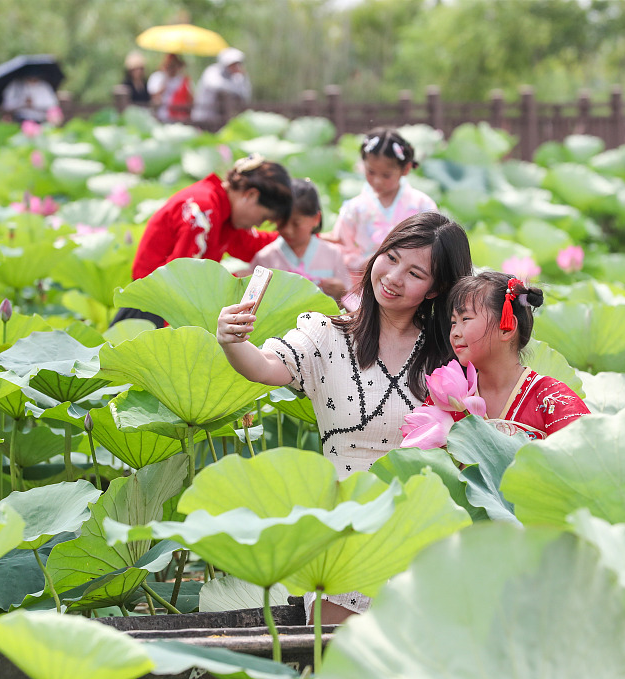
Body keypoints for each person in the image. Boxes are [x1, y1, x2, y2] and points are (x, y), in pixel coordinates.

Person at [217, 211, 471, 623]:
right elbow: (264, 366)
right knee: (338, 663)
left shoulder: (450, 353)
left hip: (421, 530)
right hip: (344, 529)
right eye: (391, 257)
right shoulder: (327, 335)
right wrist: (231, 339)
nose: (393, 276)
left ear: (435, 289)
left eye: (414, 273)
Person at [111, 154, 291, 327]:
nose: (260, 223)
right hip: (153, 312)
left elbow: (254, 245)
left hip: (167, 308)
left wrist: (306, 239)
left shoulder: (223, 212)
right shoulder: (203, 211)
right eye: (264, 217)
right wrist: (236, 283)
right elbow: (180, 281)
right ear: (251, 195)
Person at [424, 272, 589, 439]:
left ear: (507, 328)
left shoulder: (553, 399)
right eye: (453, 322)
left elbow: (579, 457)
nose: (454, 333)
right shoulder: (447, 395)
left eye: (465, 318)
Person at [321, 128, 438, 285]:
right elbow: (341, 246)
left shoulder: (422, 205)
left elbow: (434, 246)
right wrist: (362, 263)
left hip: (407, 282)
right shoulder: (354, 208)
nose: (377, 181)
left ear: (406, 169)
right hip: (364, 282)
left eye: (386, 175)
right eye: (371, 172)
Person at [250, 178, 351, 304]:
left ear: (316, 219)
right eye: (281, 222)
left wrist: (340, 294)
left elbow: (351, 308)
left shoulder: (333, 254)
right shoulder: (265, 258)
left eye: (296, 223)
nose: (288, 230)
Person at [191, 47, 252, 124]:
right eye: (232, 64)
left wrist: (244, 78)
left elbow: (245, 94)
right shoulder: (212, 71)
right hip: (205, 116)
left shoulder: (236, 77)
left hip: (222, 120)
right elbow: (215, 85)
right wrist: (234, 87)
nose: (235, 67)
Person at [147, 54, 190, 122]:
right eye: (170, 65)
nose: (172, 68)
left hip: (178, 116)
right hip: (161, 116)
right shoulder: (157, 77)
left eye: (174, 65)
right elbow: (154, 97)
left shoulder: (182, 80)